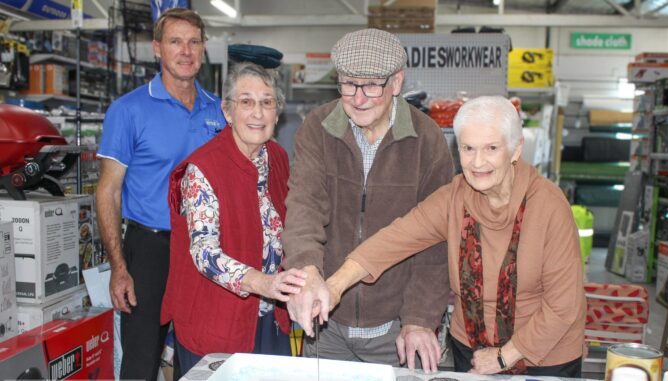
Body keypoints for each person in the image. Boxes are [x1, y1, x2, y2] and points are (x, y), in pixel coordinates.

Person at [312, 96, 586, 378]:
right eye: (468, 148)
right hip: (472, 350)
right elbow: (394, 239)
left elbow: (562, 307)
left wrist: (504, 357)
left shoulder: (549, 206)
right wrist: (335, 285)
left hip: (544, 355)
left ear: (516, 150)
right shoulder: (454, 198)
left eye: (491, 148)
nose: (478, 162)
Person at [282, 28, 454, 373]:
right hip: (327, 325)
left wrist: (419, 318)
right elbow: (304, 206)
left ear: (397, 82)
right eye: (348, 84)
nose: (359, 98)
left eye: (372, 85)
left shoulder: (426, 139)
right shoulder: (318, 127)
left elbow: (437, 239)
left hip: (397, 331)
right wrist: (307, 273)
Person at [96, 8, 225, 381]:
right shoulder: (128, 110)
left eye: (194, 42)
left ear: (203, 48)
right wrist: (119, 267)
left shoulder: (218, 110)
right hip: (149, 250)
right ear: (157, 48)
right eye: (175, 42)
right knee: (141, 362)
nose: (186, 51)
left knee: (202, 359)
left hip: (205, 249)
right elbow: (108, 190)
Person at [160, 62, 307, 378]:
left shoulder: (278, 158)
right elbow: (204, 253)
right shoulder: (203, 168)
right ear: (227, 112)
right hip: (215, 318)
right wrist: (263, 282)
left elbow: (292, 225)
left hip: (270, 317)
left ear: (277, 115)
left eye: (267, 102)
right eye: (246, 101)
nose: (258, 112)